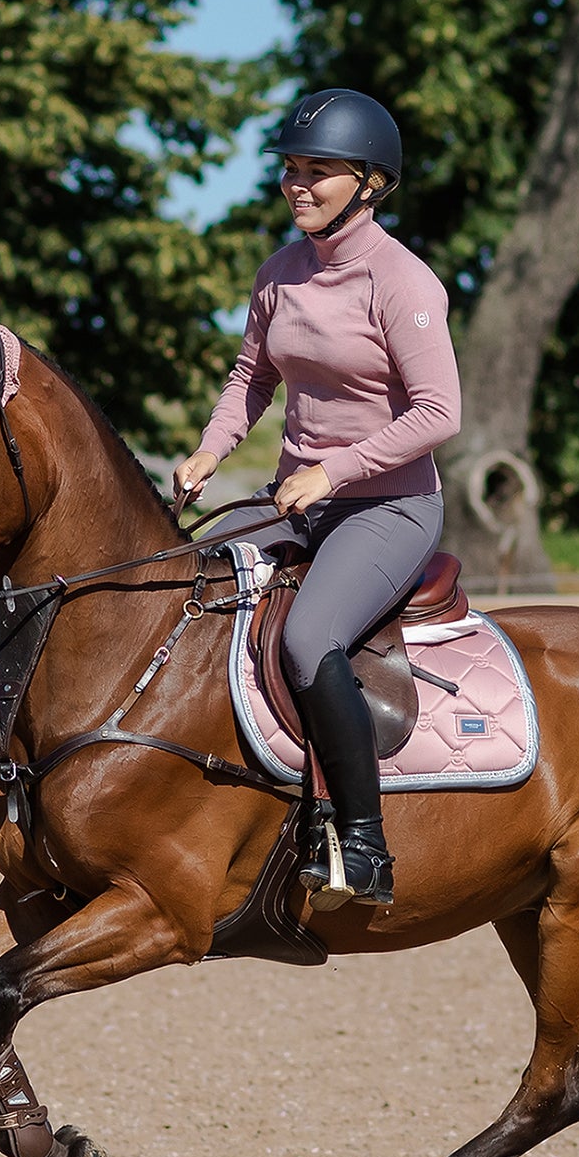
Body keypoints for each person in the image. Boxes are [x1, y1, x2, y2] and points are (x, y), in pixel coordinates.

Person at [174, 88, 461, 908]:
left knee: (306, 640)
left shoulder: (402, 281)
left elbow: (441, 412)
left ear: (372, 184)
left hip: (388, 508)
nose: (298, 185)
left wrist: (333, 474)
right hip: (298, 500)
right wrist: (207, 449)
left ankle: (362, 845)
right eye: (291, 171)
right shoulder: (281, 274)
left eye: (320, 172)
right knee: (191, 591)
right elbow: (250, 379)